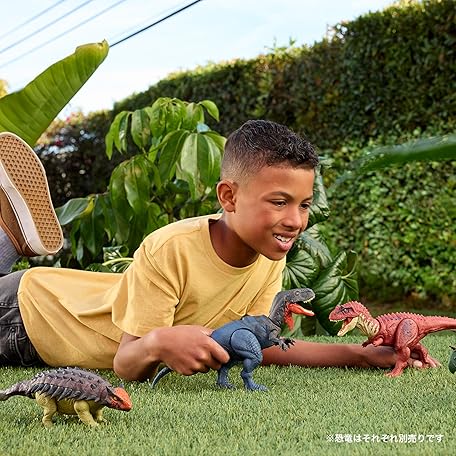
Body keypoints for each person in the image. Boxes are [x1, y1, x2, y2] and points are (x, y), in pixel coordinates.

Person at [0, 124, 436, 380]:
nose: (295, 220)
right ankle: (10, 235)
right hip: (28, 315)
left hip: (47, 314)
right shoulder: (170, 247)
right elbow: (126, 362)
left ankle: (12, 235)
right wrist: (158, 341)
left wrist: (362, 355)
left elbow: (262, 344)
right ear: (229, 196)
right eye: (279, 202)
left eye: (304, 205)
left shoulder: (270, 252)